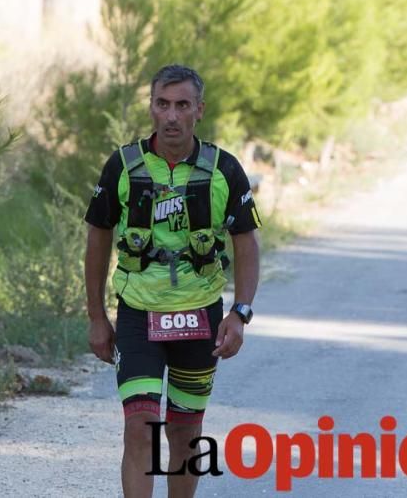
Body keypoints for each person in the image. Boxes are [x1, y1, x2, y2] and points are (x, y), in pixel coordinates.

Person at [84, 64, 262, 497]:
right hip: (138, 314)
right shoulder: (123, 166)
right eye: (162, 104)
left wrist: (239, 313)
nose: (171, 116)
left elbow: (246, 241)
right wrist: (96, 317)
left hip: (199, 316)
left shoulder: (224, 169)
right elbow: (97, 238)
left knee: (184, 435)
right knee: (139, 429)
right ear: (150, 107)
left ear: (199, 110)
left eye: (182, 105)